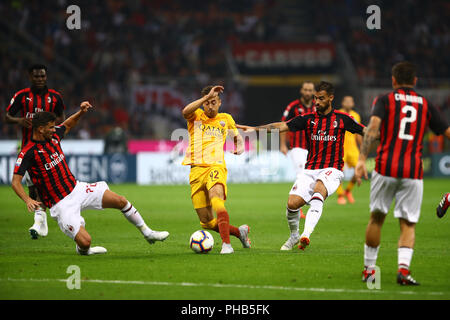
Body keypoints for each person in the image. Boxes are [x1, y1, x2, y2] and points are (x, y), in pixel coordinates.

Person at [11, 103, 169, 255]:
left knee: (120, 201)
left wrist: (81, 113)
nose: (54, 130)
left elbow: (68, 125)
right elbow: (15, 182)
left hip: (77, 188)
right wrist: (27, 200)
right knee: (86, 242)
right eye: (51, 127)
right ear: (40, 129)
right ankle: (83, 251)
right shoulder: (28, 152)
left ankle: (148, 233)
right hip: (61, 204)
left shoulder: (53, 138)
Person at [238, 81, 365, 251]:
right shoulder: (308, 119)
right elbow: (281, 126)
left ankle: (306, 235)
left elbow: (366, 131)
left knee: (319, 191)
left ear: (331, 98)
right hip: (309, 170)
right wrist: (254, 129)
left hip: (332, 169)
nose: (317, 102)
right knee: (292, 204)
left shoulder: (343, 120)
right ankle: (294, 235)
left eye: (321, 98)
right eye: (315, 98)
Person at [355, 61, 450, 285]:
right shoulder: (425, 104)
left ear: (393, 80)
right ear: (415, 81)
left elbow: (373, 129)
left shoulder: (385, 100)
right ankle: (403, 272)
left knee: (376, 219)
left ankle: (370, 271)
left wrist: (361, 159)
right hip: (413, 171)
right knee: (408, 223)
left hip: (385, 167)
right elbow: (446, 131)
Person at [181, 85, 251, 254]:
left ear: (220, 103)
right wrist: (205, 98)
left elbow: (237, 138)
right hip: (196, 170)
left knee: (216, 199)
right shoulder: (196, 115)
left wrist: (240, 147)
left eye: (213, 102)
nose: (210, 106)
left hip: (215, 166)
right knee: (206, 222)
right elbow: (184, 111)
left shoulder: (225, 118)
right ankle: (239, 232)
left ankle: (226, 245)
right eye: (207, 103)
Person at [5, 64, 66, 239]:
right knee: (33, 186)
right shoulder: (22, 96)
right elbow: (6, 116)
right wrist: (19, 121)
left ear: (46, 77)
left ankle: (41, 220)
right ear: (30, 77)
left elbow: (62, 117)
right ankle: (41, 219)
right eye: (37, 76)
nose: (40, 79)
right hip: (29, 148)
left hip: (48, 148)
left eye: (43, 76)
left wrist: (54, 131)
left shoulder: (55, 97)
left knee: (44, 183)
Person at [280, 81, 316, 219]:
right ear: (301, 90)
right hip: (297, 147)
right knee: (301, 174)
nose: (307, 92)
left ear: (313, 92)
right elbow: (284, 125)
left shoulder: (316, 107)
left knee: (311, 176)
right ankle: (297, 207)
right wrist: (283, 144)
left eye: (310, 90)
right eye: (305, 89)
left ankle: (304, 201)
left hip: (313, 148)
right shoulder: (293, 106)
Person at [336, 96, 363, 204]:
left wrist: (362, 147)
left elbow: (358, 133)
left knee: (359, 171)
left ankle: (348, 191)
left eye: (350, 101)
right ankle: (340, 195)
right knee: (338, 173)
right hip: (340, 147)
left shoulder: (356, 115)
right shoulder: (337, 114)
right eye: (346, 101)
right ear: (342, 103)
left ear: (353, 103)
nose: (348, 103)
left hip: (353, 148)